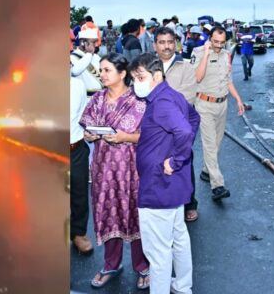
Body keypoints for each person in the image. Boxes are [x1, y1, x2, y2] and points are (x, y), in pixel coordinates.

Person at [80, 53, 150, 289]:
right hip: (103, 168)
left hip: (132, 169)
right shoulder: (97, 99)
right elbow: (87, 127)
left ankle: (143, 266)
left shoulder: (139, 101)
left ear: (122, 74)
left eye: (107, 70)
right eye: (100, 70)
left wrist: (125, 137)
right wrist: (88, 135)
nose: (102, 74)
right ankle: (111, 264)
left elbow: (150, 136)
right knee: (109, 212)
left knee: (135, 213)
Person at [129, 53, 199, 294]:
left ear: (156, 75)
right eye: (133, 78)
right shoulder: (171, 95)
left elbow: (185, 132)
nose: (136, 83)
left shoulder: (161, 103)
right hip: (172, 186)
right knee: (178, 237)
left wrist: (176, 159)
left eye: (140, 77)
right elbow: (193, 117)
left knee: (157, 252)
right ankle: (182, 285)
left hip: (158, 186)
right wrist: (176, 157)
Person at [191, 26, 245, 201]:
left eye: (222, 42)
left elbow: (228, 80)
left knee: (217, 142)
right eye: (215, 42)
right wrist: (206, 54)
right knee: (209, 144)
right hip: (204, 104)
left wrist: (238, 99)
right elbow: (197, 78)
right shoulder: (198, 52)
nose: (219, 46)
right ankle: (218, 185)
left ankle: (207, 171)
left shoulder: (226, 54)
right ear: (209, 38)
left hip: (222, 104)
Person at [154, 27, 199, 223]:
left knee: (183, 163)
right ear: (155, 45)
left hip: (180, 127)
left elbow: (186, 99)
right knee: (156, 164)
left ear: (176, 44)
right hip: (154, 129)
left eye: (170, 42)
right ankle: (163, 201)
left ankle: (189, 203)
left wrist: (160, 104)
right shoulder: (147, 67)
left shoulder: (186, 67)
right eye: (162, 42)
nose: (166, 46)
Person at [69, 73, 93, 255]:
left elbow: (84, 114)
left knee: (79, 193)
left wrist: (90, 131)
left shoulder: (77, 85)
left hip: (75, 148)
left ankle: (78, 233)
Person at [70, 28, 103, 96]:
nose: (96, 45)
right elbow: (75, 71)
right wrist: (89, 53)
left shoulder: (96, 57)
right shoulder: (72, 57)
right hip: (85, 98)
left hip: (99, 96)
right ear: (83, 43)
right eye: (93, 42)